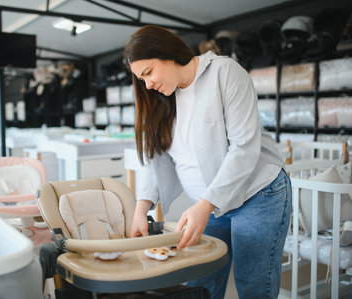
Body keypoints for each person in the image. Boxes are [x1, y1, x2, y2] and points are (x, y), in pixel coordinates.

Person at [124, 25, 291, 299]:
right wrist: (141, 209)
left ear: (168, 54)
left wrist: (205, 205)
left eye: (149, 73)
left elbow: (244, 147)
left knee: (253, 285)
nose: (148, 84)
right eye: (141, 79)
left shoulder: (224, 73)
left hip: (257, 194)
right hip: (210, 204)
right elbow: (158, 158)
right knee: (201, 281)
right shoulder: (164, 97)